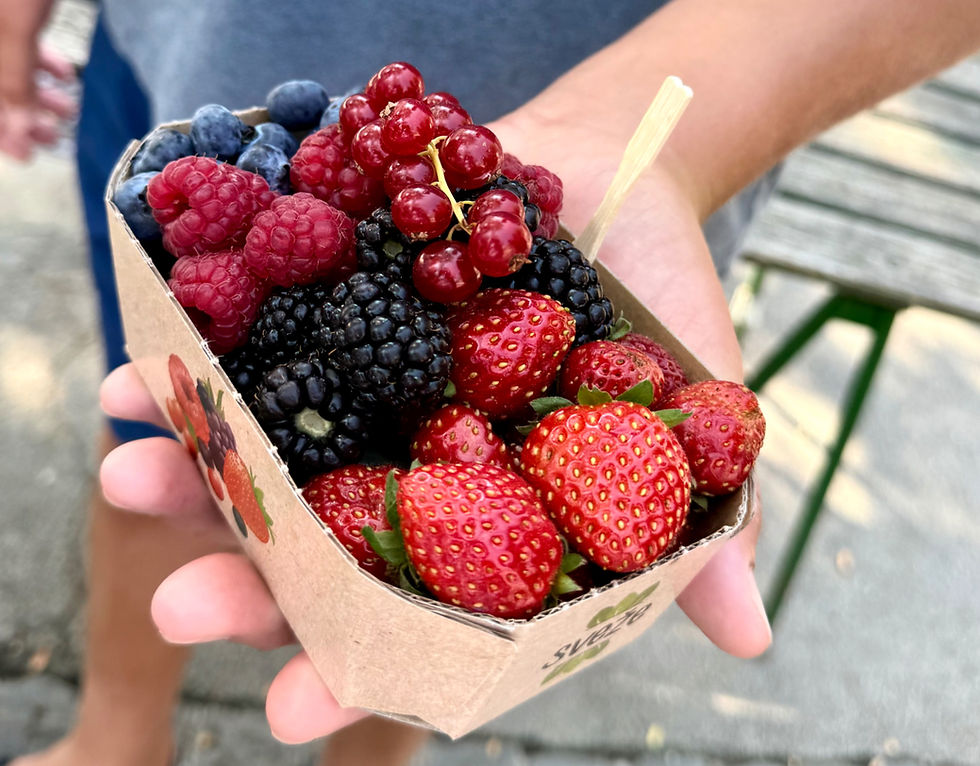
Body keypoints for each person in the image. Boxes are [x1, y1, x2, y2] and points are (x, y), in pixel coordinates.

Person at [2, 0, 980, 762]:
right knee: (157, 443)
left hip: (577, 126)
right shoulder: (270, 219)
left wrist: (676, 146)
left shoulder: (510, 328)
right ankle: (115, 741)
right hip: (159, 59)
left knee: (434, 636)